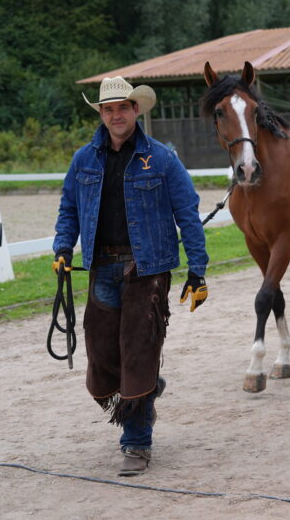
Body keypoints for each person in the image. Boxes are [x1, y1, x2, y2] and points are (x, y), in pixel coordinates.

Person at [53, 76, 209, 476]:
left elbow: (187, 213)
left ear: (136, 110)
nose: (116, 115)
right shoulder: (83, 160)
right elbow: (69, 208)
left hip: (149, 270)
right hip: (101, 267)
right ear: (102, 114)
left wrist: (197, 269)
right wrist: (61, 248)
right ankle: (149, 391)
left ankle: (136, 443)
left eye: (123, 107)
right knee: (102, 366)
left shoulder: (162, 158)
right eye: (109, 109)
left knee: (137, 354)